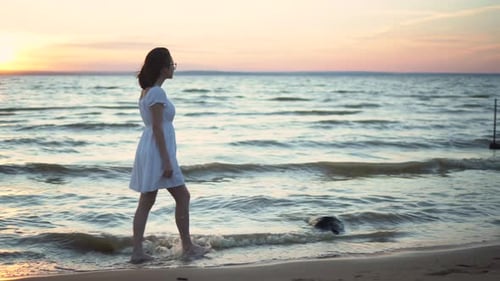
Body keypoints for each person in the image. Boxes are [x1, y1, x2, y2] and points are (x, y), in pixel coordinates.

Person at [129, 47, 207, 264]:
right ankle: (188, 247)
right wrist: (166, 160)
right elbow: (157, 128)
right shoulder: (156, 93)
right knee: (182, 196)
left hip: (149, 148)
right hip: (156, 151)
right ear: (163, 68)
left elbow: (155, 128)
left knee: (147, 200)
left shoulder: (147, 91)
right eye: (172, 63)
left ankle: (137, 252)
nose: (174, 67)